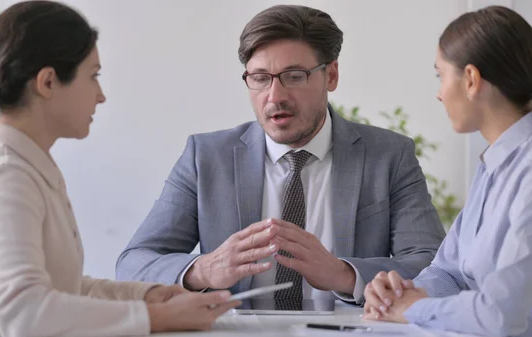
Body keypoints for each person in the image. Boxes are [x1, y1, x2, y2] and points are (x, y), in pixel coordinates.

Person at [116, 4, 445, 309]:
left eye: (294, 76)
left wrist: (343, 275)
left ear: (331, 75)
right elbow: (134, 263)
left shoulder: (389, 155)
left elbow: (432, 265)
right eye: (260, 79)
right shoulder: (205, 157)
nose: (275, 97)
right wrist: (204, 270)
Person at [0, 2, 239, 336]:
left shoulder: (28, 170)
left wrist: (148, 295)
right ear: (48, 82)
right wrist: (158, 318)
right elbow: (25, 312)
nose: (101, 96)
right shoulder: (7, 179)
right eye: (93, 76)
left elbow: (60, 290)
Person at [362, 6, 532, 337]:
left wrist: (413, 309)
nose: (439, 92)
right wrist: (399, 294)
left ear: (471, 79)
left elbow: (500, 313)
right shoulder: (493, 166)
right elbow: (450, 272)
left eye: (440, 75)